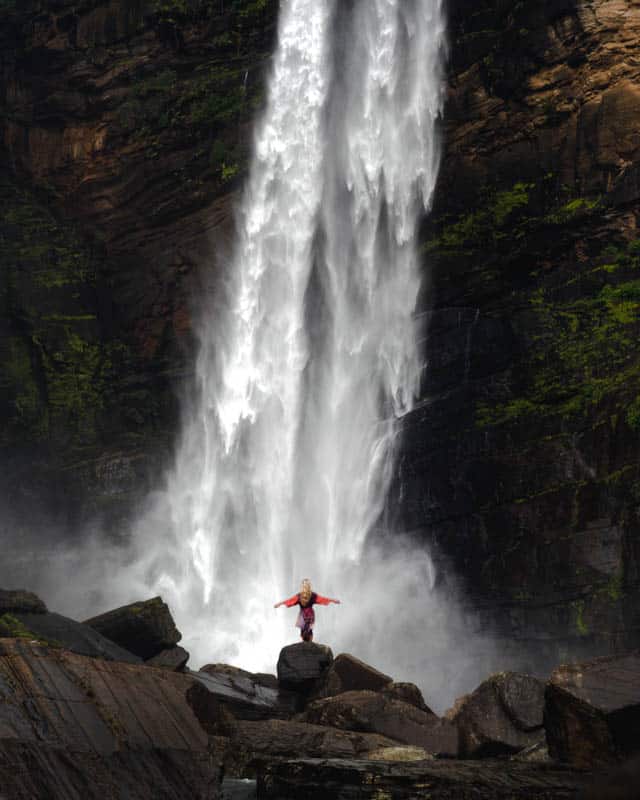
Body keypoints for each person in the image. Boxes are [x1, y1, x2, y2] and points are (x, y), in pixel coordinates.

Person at [274, 578, 340, 642]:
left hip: (302, 614)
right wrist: (333, 600)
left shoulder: (299, 596)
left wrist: (280, 603)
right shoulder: (313, 595)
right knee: (309, 629)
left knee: (303, 629)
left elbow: (290, 601)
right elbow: (323, 599)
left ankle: (304, 642)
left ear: (302, 586)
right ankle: (310, 642)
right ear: (309, 586)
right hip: (310, 614)